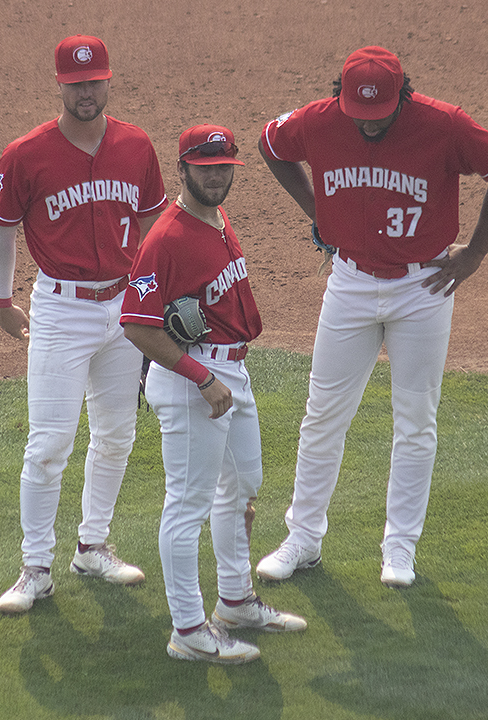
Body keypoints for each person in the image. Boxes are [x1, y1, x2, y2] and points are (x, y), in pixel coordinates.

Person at [255, 46, 488, 588]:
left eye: (379, 118)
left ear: (403, 96)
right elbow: (269, 144)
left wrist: (474, 254)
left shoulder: (444, 124)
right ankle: (302, 539)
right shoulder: (319, 120)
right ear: (341, 97)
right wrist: (317, 212)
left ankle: (400, 549)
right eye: (359, 116)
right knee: (323, 413)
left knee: (415, 421)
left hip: (424, 286)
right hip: (349, 282)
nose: (369, 127)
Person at [0, 35, 169, 613]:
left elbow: (155, 228)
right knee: (49, 444)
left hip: (123, 311)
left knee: (117, 434)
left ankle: (92, 545)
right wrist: (1, 301)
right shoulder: (25, 154)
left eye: (95, 82)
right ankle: (34, 567)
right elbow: (2, 230)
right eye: (76, 83)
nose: (86, 92)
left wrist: (155, 297)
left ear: (108, 81)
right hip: (61, 310)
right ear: (60, 84)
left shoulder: (137, 146)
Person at [121, 124, 307, 664]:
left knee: (243, 483)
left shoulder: (217, 217)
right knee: (186, 506)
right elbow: (136, 325)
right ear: (182, 169)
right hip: (193, 382)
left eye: (224, 166)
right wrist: (201, 379)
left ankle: (235, 599)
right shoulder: (166, 239)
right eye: (205, 168)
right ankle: (188, 631)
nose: (216, 175)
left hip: (232, 372)